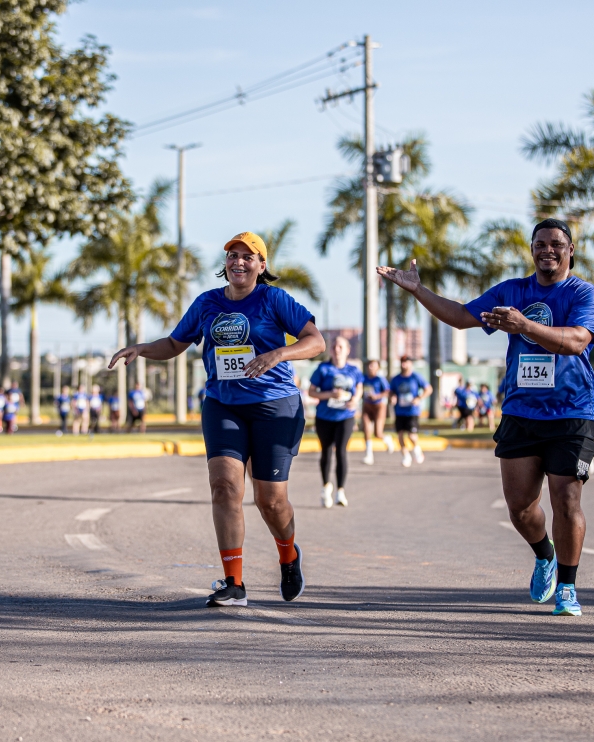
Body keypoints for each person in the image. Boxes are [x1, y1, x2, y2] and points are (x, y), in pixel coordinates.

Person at [380, 219, 594, 616]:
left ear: (571, 251)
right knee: (520, 508)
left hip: (571, 412)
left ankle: (568, 588)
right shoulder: (512, 291)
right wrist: (418, 290)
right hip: (521, 412)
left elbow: (577, 341)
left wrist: (524, 325)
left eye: (556, 244)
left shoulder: (584, 293)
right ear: (531, 250)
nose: (547, 250)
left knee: (566, 500)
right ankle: (545, 554)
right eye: (540, 244)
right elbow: (461, 315)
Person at [109, 231, 324, 608]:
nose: (238, 262)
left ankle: (289, 555)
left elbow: (315, 341)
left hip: (274, 406)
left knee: (270, 501)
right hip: (223, 405)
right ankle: (234, 584)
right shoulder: (207, 303)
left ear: (261, 265)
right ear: (226, 264)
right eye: (232, 256)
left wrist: (278, 354)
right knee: (224, 488)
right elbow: (174, 344)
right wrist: (142, 349)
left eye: (247, 257)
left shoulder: (273, 299)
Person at [308, 335, 363, 508]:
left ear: (347, 350)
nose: (336, 350)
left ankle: (340, 490)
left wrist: (355, 400)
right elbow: (311, 392)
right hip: (324, 417)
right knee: (326, 452)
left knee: (341, 451)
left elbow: (359, 388)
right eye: (333, 347)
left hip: (345, 416)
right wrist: (330, 394)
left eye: (340, 347)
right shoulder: (323, 369)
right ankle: (326, 488)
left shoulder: (353, 370)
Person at [389, 355, 430, 467]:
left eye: (406, 362)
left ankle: (417, 450)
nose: (404, 365)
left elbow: (428, 389)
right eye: (402, 362)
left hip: (412, 411)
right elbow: (391, 391)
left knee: (411, 435)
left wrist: (419, 398)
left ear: (411, 364)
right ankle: (406, 456)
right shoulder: (396, 379)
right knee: (400, 435)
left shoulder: (416, 377)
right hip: (399, 411)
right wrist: (392, 397)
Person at [359, 359, 392, 464]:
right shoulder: (363, 378)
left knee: (378, 433)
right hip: (367, 406)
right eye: (369, 365)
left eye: (373, 365)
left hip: (379, 407)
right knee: (366, 430)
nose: (370, 367)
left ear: (378, 368)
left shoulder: (380, 379)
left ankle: (387, 439)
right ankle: (369, 455)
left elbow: (387, 391)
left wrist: (377, 396)